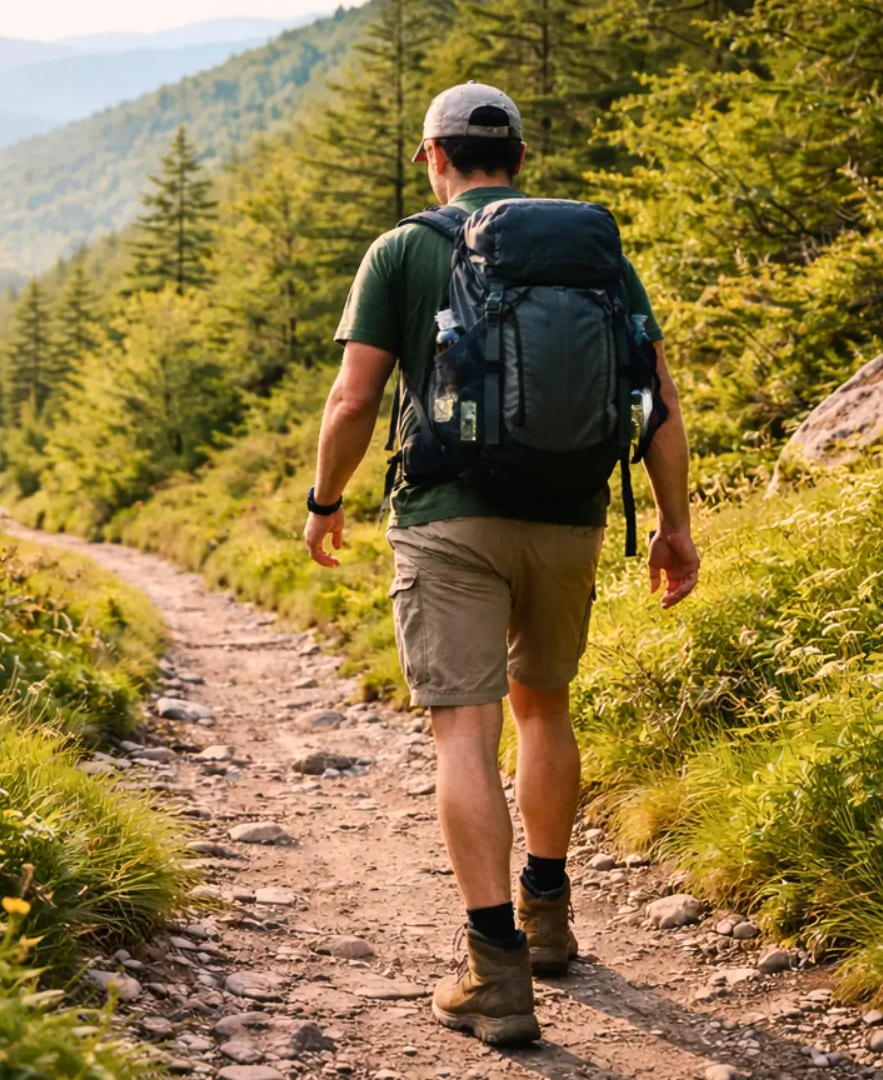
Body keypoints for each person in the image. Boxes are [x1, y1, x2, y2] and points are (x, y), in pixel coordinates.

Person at [302, 83, 700, 1046]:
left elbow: (354, 399)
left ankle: (496, 973)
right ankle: (549, 918)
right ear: (519, 157)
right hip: (569, 516)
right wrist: (674, 526)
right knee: (545, 709)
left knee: (465, 736)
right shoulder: (594, 255)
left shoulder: (403, 249)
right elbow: (657, 401)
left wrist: (324, 500)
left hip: (449, 519)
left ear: (432, 157)